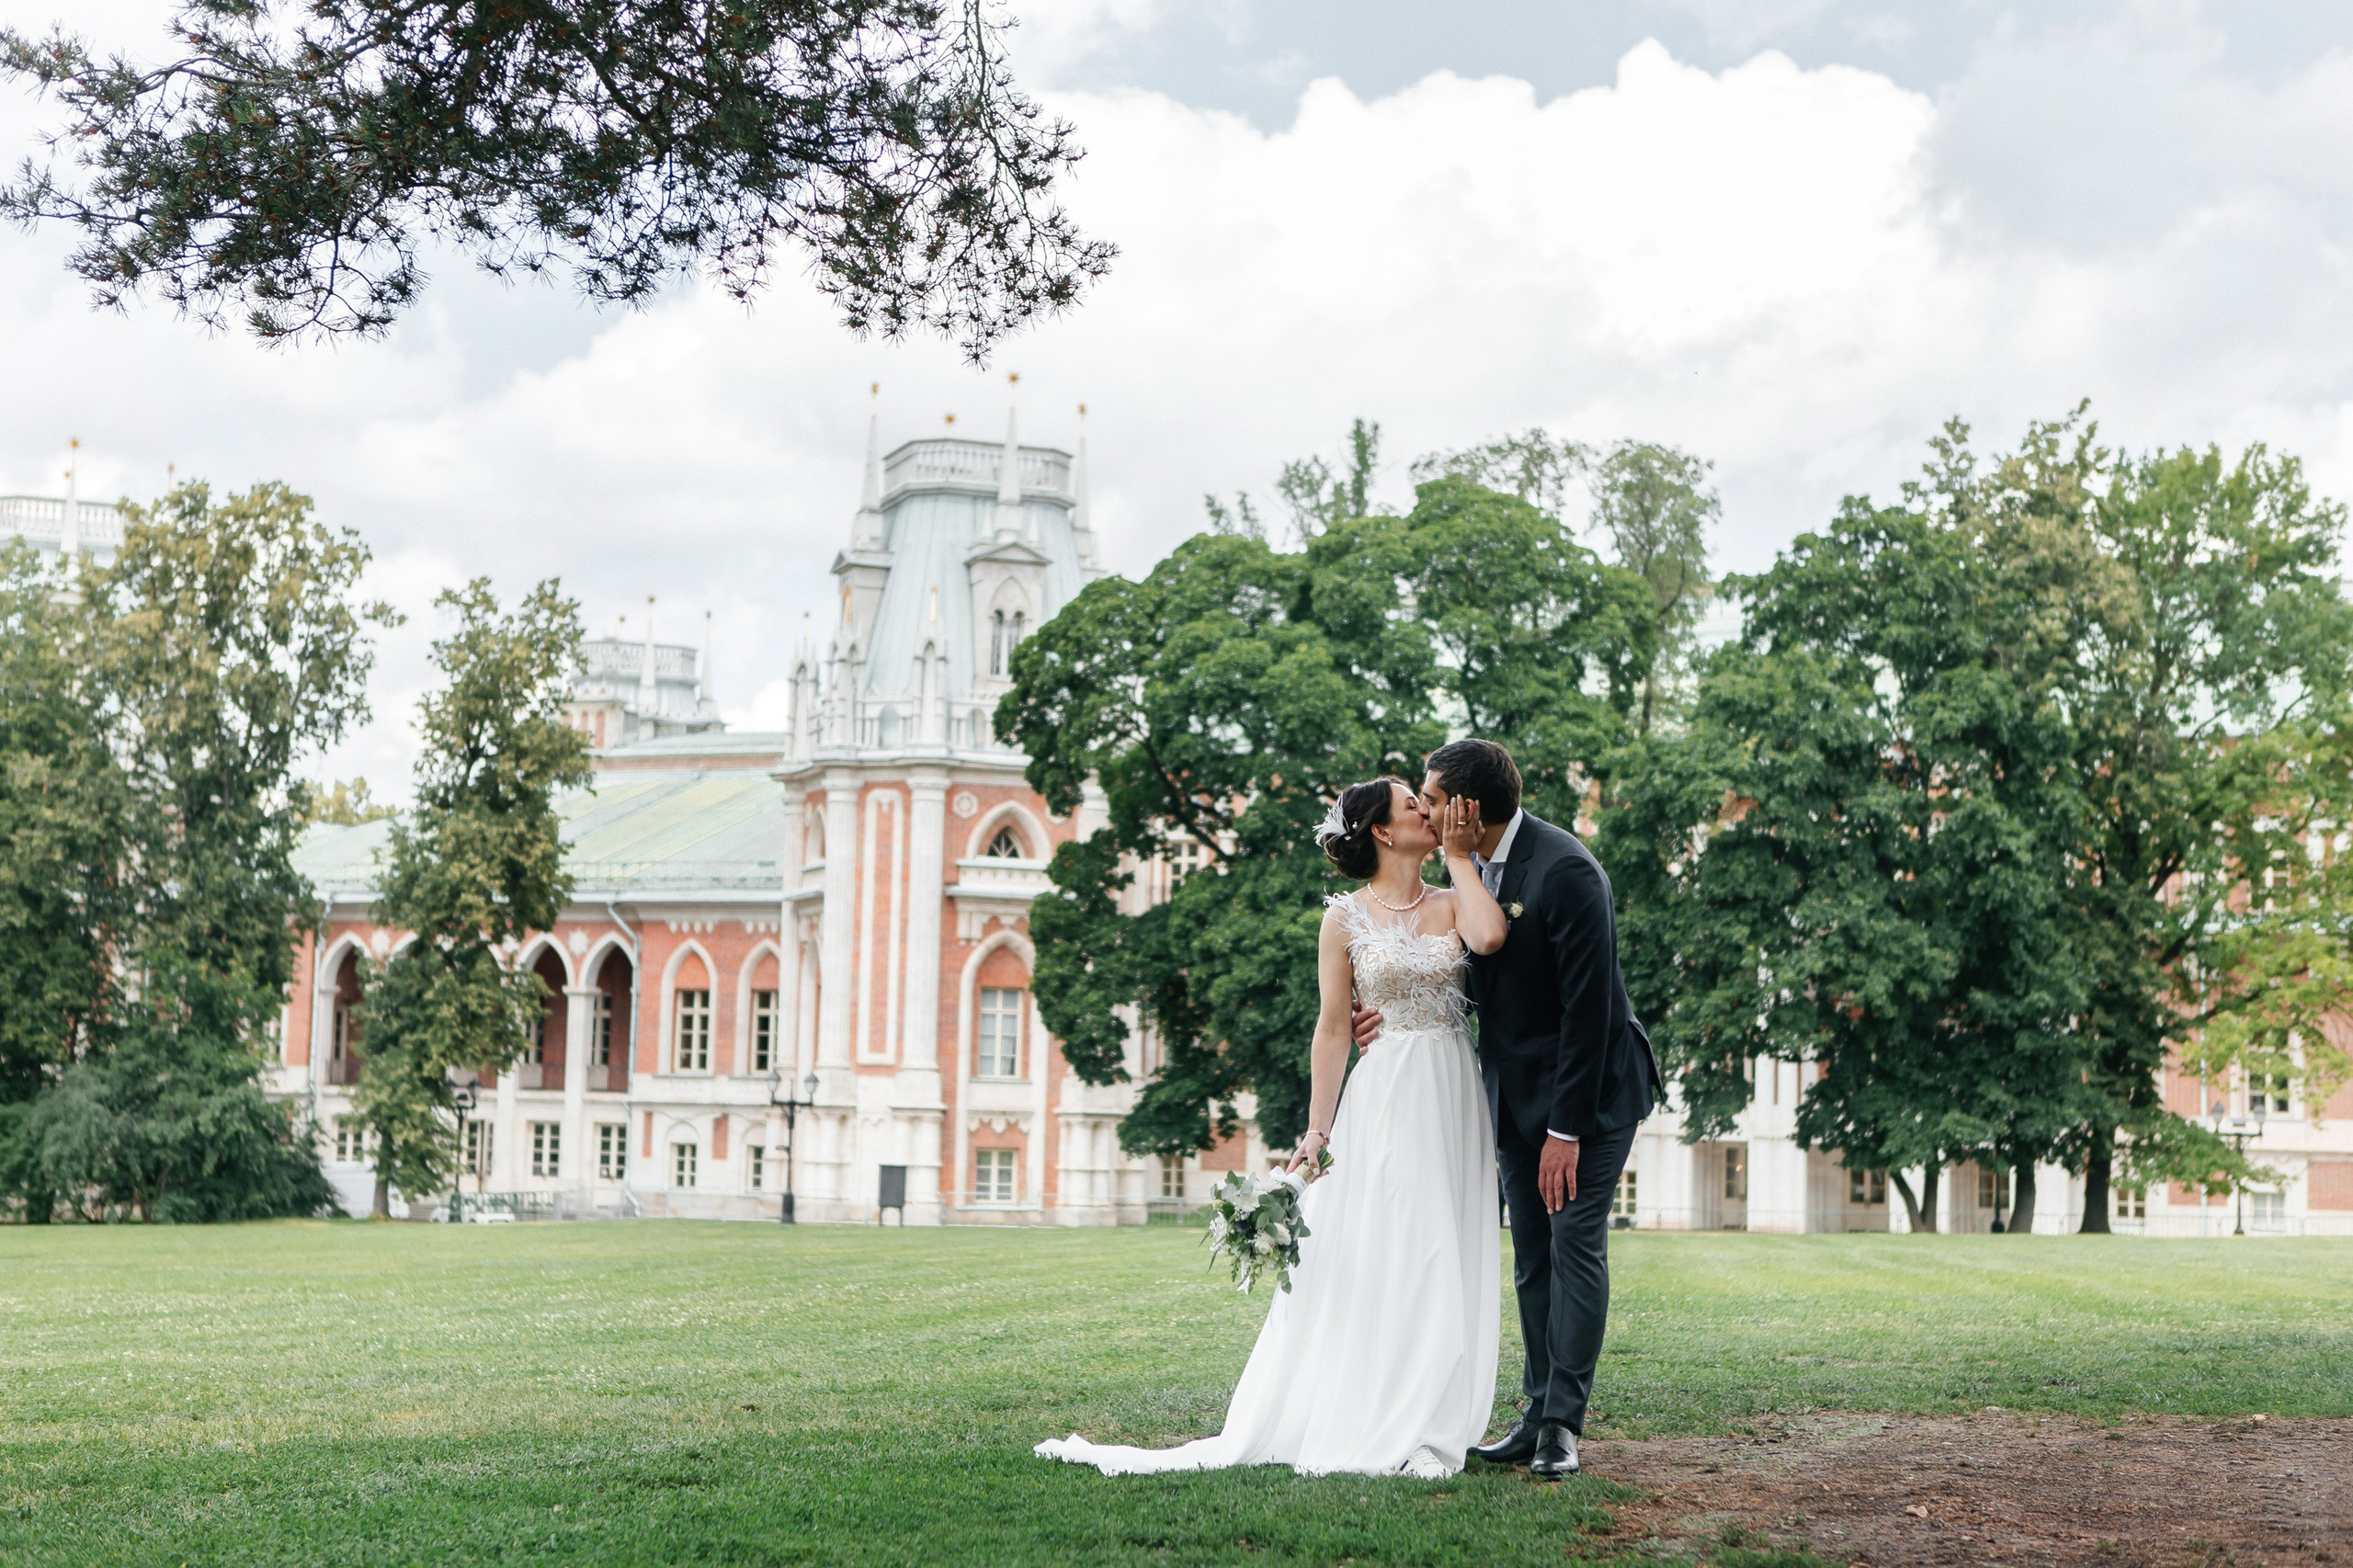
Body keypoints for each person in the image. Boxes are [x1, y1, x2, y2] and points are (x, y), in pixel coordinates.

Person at [1036, 777, 1506, 1478]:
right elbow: (1332, 1028)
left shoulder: (1453, 899)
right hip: (1384, 1096)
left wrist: (1462, 860)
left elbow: (1491, 936)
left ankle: (1430, 1424)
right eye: (1413, 804)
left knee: (1445, 1244)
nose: (1429, 811)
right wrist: (1318, 1132)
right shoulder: (1344, 919)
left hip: (1452, 1090)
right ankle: (1385, 1418)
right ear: (1382, 830)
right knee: (1400, 1247)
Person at [1353, 739, 1663, 1480]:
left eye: (1432, 797)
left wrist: (1566, 1131)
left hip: (1590, 1096)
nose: (1424, 809)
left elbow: (1590, 1012)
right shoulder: (1470, 870)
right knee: (1530, 1253)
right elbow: (1460, 972)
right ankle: (1534, 1411)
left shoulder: (1567, 871)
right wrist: (1384, 1013)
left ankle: (1561, 1426)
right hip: (1513, 1096)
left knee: (1573, 1242)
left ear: (1467, 806)